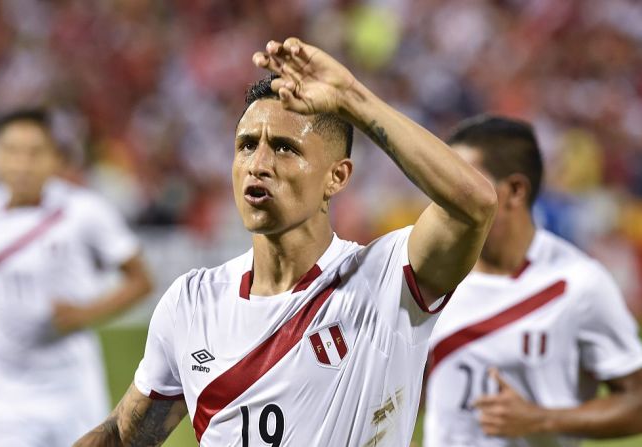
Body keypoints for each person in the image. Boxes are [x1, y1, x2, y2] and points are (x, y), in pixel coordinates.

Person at [75, 37, 497, 446]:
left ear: (337, 176)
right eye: (245, 146)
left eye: (283, 148)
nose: (258, 164)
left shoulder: (386, 279)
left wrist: (351, 98)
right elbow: (122, 435)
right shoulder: (192, 301)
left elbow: (473, 204)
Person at [422, 115, 642, 447]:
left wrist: (541, 419)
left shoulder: (578, 284)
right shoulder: (429, 274)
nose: (448, 196)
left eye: (465, 182)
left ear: (514, 191)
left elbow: (637, 400)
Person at [0, 108, 153, 446]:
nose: (22, 163)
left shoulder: (84, 211)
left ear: (55, 158)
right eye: (11, 151)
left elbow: (140, 279)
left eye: (34, 153)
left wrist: (84, 314)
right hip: (0, 392)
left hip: (71, 386)